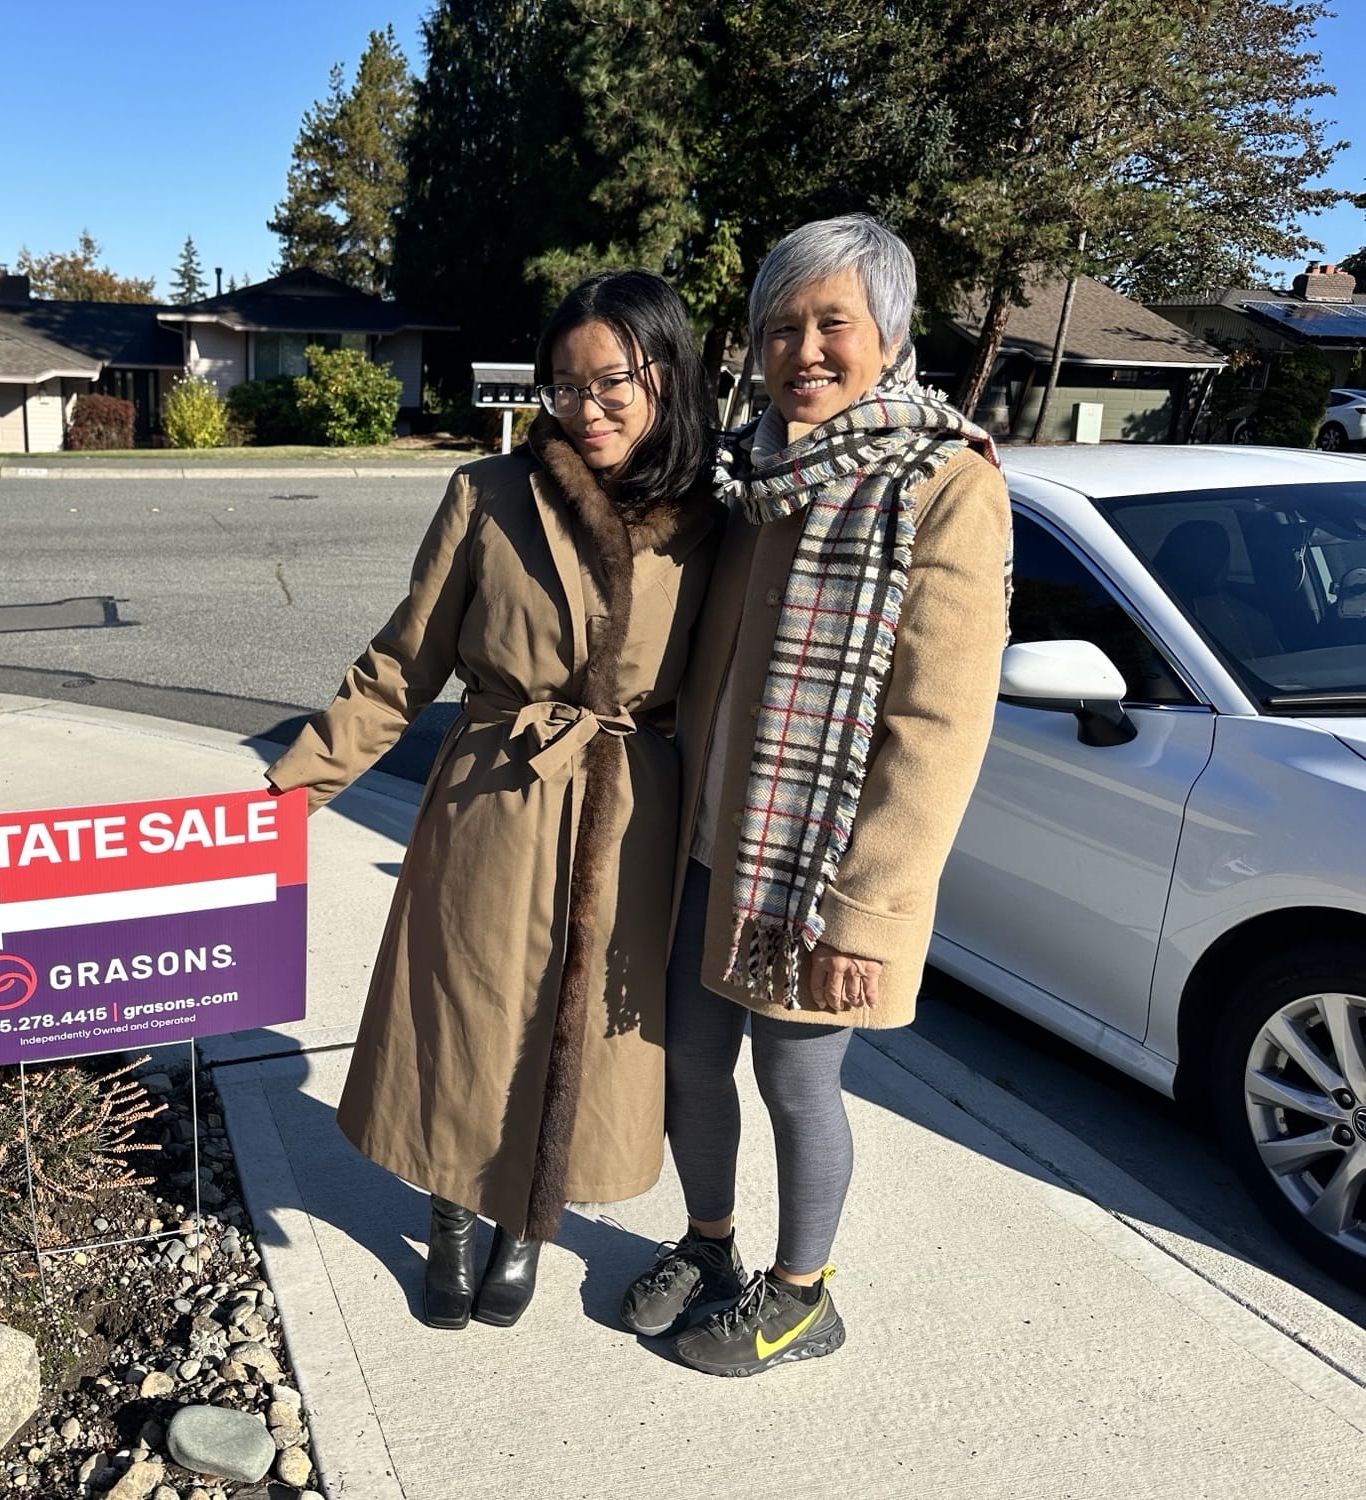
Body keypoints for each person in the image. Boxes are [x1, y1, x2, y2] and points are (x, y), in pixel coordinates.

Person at [265, 271, 717, 1329]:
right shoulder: (487, 492)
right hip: (491, 793)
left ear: (666, 375)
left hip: (627, 812)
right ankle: (454, 1213)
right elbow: (401, 663)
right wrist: (292, 792)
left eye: (610, 382)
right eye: (562, 386)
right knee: (465, 1013)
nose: (585, 408)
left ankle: (528, 1221)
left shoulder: (712, 518)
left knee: (580, 1032)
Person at [618, 215, 1011, 1375]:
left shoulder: (942, 482)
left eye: (830, 322)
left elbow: (938, 727)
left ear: (887, 336)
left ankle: (801, 1296)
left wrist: (870, 911)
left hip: (822, 868)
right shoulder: (753, 475)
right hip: (710, 847)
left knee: (796, 1080)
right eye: (779, 325)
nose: (803, 349)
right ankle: (708, 1247)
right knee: (689, 1063)